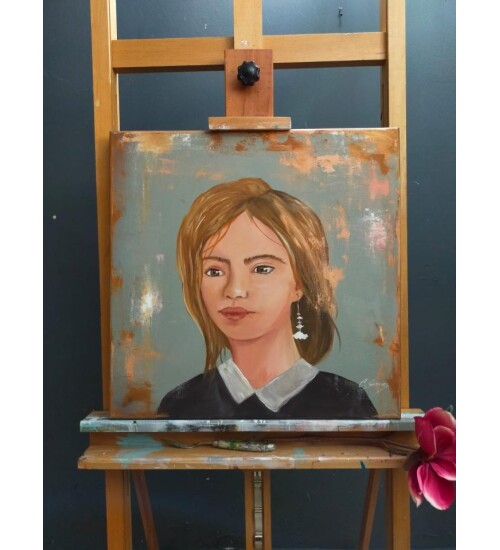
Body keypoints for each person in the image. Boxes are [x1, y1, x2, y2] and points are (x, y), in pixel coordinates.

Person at [157, 178, 377, 419]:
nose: (235, 290)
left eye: (261, 269)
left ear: (300, 283)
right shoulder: (180, 404)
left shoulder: (347, 403)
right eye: (215, 271)